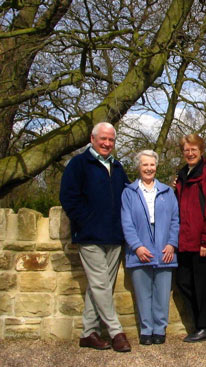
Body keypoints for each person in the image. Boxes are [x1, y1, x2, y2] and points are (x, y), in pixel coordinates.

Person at [59, 122, 131, 352]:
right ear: (92, 138)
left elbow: (129, 196)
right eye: (103, 139)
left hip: (114, 236)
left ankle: (88, 333)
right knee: (101, 284)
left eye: (111, 140)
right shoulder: (78, 164)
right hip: (90, 235)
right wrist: (86, 220)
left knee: (101, 286)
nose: (107, 143)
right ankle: (116, 331)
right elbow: (68, 198)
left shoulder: (118, 167)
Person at [121, 150, 179, 345]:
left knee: (162, 293)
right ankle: (146, 330)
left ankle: (159, 329)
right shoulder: (129, 192)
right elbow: (126, 223)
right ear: (139, 167)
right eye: (145, 165)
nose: (149, 168)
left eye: (152, 165)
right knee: (143, 293)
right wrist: (137, 247)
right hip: (140, 251)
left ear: (157, 166)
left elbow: (175, 221)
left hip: (164, 249)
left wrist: (172, 244)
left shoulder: (167, 192)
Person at [175, 134, 206, 343]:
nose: (190, 153)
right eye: (186, 149)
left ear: (201, 150)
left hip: (201, 243)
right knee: (184, 282)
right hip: (184, 242)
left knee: (203, 287)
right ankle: (198, 325)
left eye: (194, 149)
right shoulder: (183, 175)